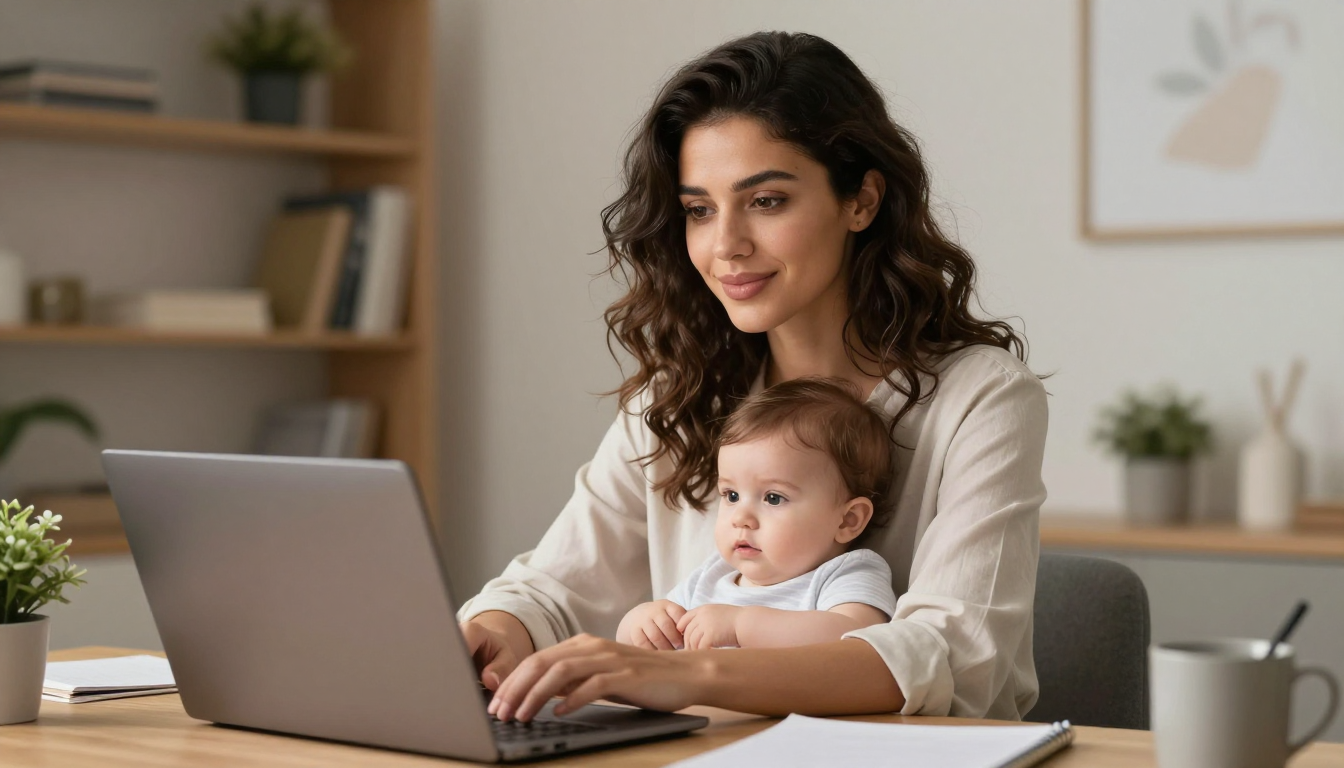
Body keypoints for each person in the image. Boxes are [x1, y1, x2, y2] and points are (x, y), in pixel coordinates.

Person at [458, 30, 1047, 724]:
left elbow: (949, 659)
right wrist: (484, 636)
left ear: (861, 201)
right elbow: (551, 591)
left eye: (766, 201)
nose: (725, 245)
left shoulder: (982, 397)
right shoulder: (676, 397)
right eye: (699, 210)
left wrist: (685, 673)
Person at [617, 377, 900, 651]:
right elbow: (638, 647)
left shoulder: (844, 575)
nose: (741, 518)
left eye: (773, 498)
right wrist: (641, 624)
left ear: (848, 520)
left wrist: (741, 625)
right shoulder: (711, 576)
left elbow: (858, 640)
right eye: (731, 495)